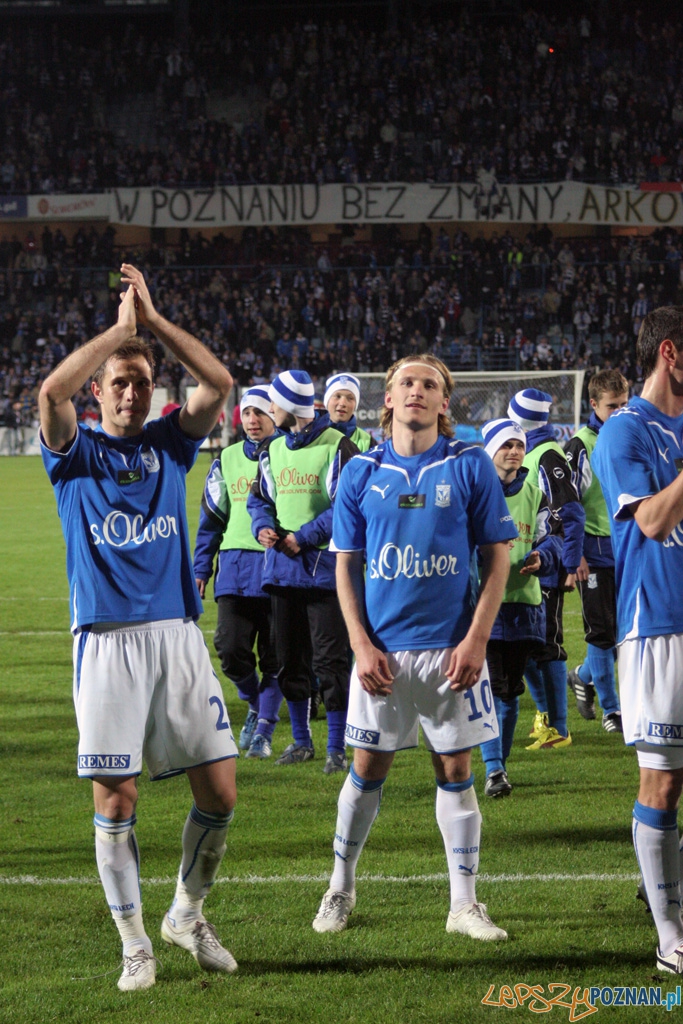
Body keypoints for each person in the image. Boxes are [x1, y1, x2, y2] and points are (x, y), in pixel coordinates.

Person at [39, 265, 237, 992]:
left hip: (176, 636)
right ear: (100, 392)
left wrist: (152, 327)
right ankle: (134, 944)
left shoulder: (170, 444)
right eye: (117, 382)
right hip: (107, 641)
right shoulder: (74, 452)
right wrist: (118, 336)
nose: (129, 391)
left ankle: (185, 914)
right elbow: (50, 394)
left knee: (219, 793)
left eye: (139, 381)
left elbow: (217, 384)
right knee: (115, 798)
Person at [312, 354, 516, 938]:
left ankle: (464, 906)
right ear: (390, 399)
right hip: (381, 653)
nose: (419, 392)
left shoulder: (469, 465)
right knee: (367, 769)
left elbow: (498, 555)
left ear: (444, 403)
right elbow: (345, 568)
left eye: (431, 385)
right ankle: (339, 888)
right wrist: (359, 644)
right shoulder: (360, 473)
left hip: (451, 649)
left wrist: (477, 639)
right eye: (407, 383)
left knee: (455, 769)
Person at [593, 306, 683, 975]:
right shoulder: (623, 431)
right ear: (669, 352)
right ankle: (669, 938)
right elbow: (651, 521)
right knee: (663, 782)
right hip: (659, 624)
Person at [247, 369, 358, 773]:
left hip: (324, 572)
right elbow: (258, 498)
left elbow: (347, 505)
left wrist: (304, 536)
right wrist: (262, 525)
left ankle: (336, 748)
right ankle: (301, 741)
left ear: (289, 406)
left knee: (330, 662)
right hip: (281, 570)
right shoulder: (272, 449)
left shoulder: (339, 445)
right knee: (288, 659)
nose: (269, 410)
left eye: (273, 403)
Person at [194, 385, 283, 760]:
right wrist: (201, 566)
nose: (252, 420)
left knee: (276, 655)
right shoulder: (226, 459)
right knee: (230, 648)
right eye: (247, 413)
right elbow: (212, 518)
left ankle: (263, 730)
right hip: (234, 569)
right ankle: (255, 703)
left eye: (260, 413)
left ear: (275, 416)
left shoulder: (288, 454)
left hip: (282, 567)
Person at [478, 418, 562, 797]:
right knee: (494, 691)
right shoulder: (475, 492)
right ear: (490, 449)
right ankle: (493, 768)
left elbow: (552, 538)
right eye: (506, 445)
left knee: (511, 694)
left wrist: (542, 558)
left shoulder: (534, 493)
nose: (514, 451)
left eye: (518, 445)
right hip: (484, 609)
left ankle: (499, 767)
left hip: (525, 607)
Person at [507, 388, 585, 750]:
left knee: (549, 644)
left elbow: (571, 510)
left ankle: (560, 728)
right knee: (522, 645)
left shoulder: (546, 453)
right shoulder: (532, 451)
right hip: (529, 563)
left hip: (548, 562)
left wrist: (569, 562)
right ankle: (546, 716)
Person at [563, 369, 628, 733]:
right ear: (593, 405)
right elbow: (567, 503)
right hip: (595, 551)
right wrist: (578, 555)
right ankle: (612, 711)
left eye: (624, 404)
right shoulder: (580, 445)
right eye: (611, 406)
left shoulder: (632, 435)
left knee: (623, 634)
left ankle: (582, 675)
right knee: (602, 633)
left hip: (628, 546)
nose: (618, 412)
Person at [319, 372, 374, 452]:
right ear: (327, 401)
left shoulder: (368, 443)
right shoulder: (312, 438)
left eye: (350, 398)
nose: (342, 403)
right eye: (337, 396)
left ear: (356, 404)